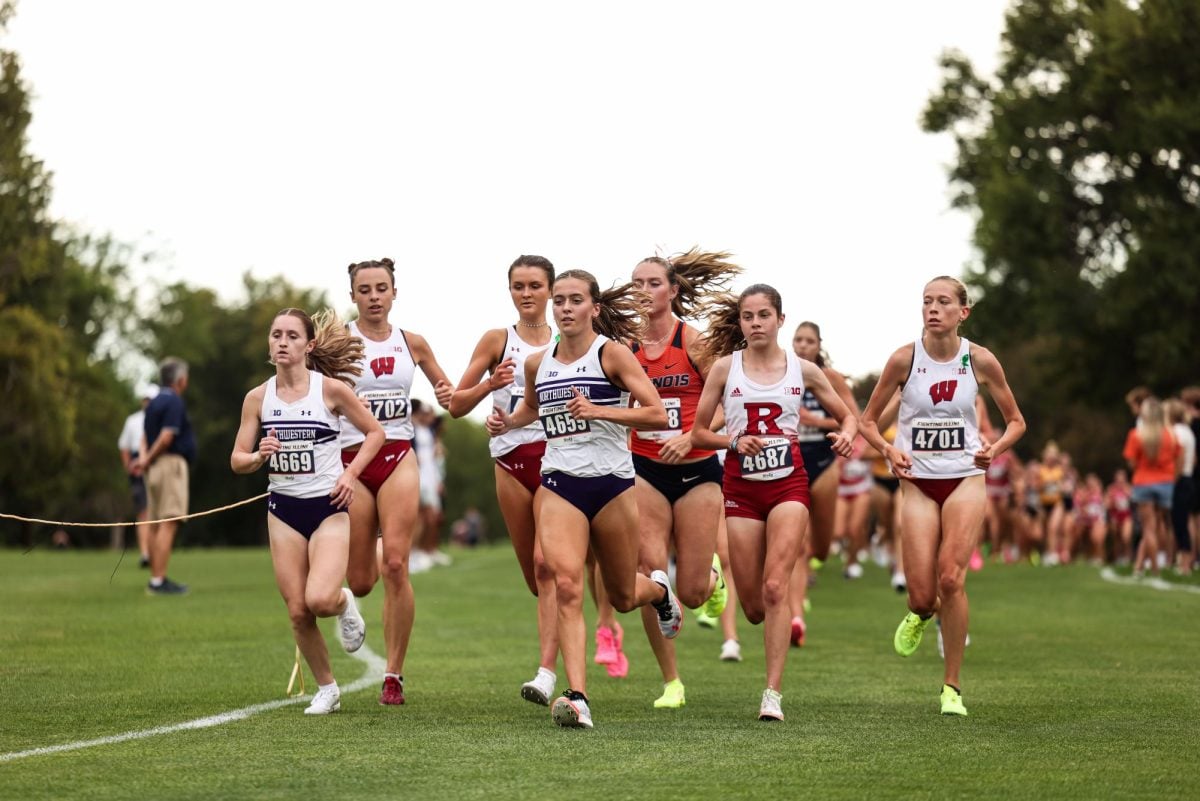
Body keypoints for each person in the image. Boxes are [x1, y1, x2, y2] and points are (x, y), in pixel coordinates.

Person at [485, 269, 681, 730]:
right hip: (559, 482)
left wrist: (598, 410)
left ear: (594, 308)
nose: (565, 308)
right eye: (560, 301)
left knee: (622, 593)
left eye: (575, 300)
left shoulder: (610, 355)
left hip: (612, 485)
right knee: (567, 584)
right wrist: (509, 424)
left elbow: (655, 414)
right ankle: (577, 695)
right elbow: (532, 407)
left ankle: (658, 590)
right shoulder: (538, 363)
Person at [859, 275, 1024, 717]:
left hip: (966, 477)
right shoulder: (903, 359)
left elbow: (1016, 422)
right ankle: (920, 613)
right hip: (917, 483)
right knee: (920, 594)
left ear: (962, 313)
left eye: (943, 302)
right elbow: (867, 421)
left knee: (952, 578)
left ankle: (951, 687)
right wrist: (889, 449)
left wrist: (995, 448)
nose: (933, 309)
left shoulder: (981, 361)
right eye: (927, 301)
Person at [690, 284, 856, 722]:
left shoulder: (803, 369)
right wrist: (733, 440)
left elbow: (849, 415)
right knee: (754, 608)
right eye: (748, 316)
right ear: (741, 322)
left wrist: (847, 435)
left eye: (764, 315)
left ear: (780, 319)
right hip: (742, 490)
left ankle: (772, 694)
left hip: (789, 486)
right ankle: (724, 588)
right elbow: (698, 433)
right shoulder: (726, 369)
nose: (756, 323)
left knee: (776, 586)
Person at [230, 308, 384, 715]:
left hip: (328, 509)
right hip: (283, 511)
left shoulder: (330, 391)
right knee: (298, 610)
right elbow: (236, 460)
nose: (282, 342)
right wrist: (257, 457)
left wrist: (350, 475)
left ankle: (344, 602)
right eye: (276, 334)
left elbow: (375, 433)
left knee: (319, 598)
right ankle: (328, 689)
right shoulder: (257, 399)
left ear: (308, 345)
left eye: (292, 335)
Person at [627, 249, 741, 709]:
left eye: (652, 282)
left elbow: (730, 409)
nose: (643, 291)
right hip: (644, 469)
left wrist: (694, 440)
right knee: (652, 575)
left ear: (673, 290)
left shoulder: (693, 343)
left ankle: (712, 577)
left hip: (696, 472)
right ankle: (671, 682)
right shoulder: (623, 347)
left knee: (691, 593)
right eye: (636, 283)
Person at [340, 258, 454, 706]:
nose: (373, 296)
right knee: (362, 580)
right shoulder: (337, 343)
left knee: (396, 566)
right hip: (351, 461)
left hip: (397, 457)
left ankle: (394, 673)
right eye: (364, 289)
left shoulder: (413, 343)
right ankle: (348, 604)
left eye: (380, 288)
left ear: (393, 292)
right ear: (353, 296)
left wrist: (462, 394)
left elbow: (448, 392)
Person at [448, 254, 562, 704]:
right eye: (519, 286)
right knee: (535, 581)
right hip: (510, 463)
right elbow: (456, 405)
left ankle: (546, 673)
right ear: (510, 291)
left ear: (551, 290)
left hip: (556, 460)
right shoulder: (497, 340)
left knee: (546, 566)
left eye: (535, 285)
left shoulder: (567, 340)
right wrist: (489, 385)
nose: (527, 293)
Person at [786, 322, 860, 645]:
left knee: (820, 547)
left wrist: (817, 421)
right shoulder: (781, 373)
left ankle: (818, 562)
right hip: (791, 463)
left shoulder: (828, 379)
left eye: (809, 341)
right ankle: (796, 616)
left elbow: (851, 417)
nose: (802, 346)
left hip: (824, 462)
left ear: (818, 346)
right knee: (797, 548)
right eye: (798, 340)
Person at [138, 358, 196, 595]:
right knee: (168, 522)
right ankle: (158, 580)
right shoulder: (174, 401)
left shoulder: (152, 403)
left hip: (154, 469)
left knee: (154, 523)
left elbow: (144, 437)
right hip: (169, 465)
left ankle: (156, 578)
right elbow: (166, 438)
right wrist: (149, 459)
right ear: (181, 380)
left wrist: (144, 461)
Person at [1124, 397, 1179, 577]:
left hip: (1143, 482)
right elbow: (1177, 458)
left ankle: (1154, 568)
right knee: (1159, 526)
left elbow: (1132, 463)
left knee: (1148, 529)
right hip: (1166, 483)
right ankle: (1141, 565)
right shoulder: (1170, 435)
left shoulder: (1137, 435)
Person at [118, 383, 158, 567]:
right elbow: (124, 446)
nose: (148, 403)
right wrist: (129, 466)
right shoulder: (133, 420)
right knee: (143, 512)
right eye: (146, 399)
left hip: (157, 463)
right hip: (137, 466)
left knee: (157, 512)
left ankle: (155, 552)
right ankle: (145, 553)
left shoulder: (160, 421)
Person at [1165, 398, 1195, 574]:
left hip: (1181, 479)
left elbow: (1179, 457)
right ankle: (1185, 560)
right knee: (1184, 521)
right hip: (1188, 478)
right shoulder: (1187, 430)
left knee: (1180, 522)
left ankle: (1185, 563)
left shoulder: (1177, 432)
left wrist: (1172, 480)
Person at [1105, 468, 1134, 565]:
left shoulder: (1129, 488)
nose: (1120, 481)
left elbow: (1134, 502)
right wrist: (1112, 502)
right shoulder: (1111, 489)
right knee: (1117, 538)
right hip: (1115, 517)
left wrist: (1128, 494)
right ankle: (1118, 558)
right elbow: (1106, 504)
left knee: (1126, 537)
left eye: (1122, 478)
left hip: (1126, 516)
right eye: (1118, 479)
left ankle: (1127, 557)